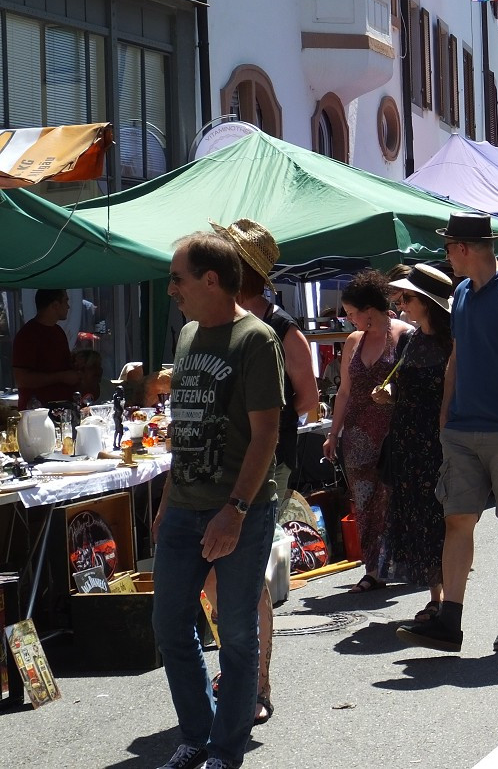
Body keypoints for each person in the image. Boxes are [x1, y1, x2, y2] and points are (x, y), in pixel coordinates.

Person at [151, 231, 284, 769]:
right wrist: (165, 501)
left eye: (177, 278)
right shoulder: (185, 337)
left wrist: (236, 509)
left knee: (235, 631)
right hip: (183, 504)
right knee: (169, 625)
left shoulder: (256, 339)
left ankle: (226, 752)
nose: (171, 290)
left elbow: (267, 435)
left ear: (211, 279)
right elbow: (185, 426)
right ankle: (197, 734)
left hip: (238, 507)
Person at [396, 212, 498, 653]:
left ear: (462, 249)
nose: (446, 255)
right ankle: (450, 622)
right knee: (457, 520)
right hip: (462, 430)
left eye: (447, 247)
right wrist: (446, 414)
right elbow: (457, 359)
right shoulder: (461, 292)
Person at [205, 218, 319, 726]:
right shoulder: (210, 323)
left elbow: (308, 398)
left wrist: (261, 426)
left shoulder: (281, 326)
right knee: (215, 575)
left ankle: (257, 682)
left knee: (246, 577)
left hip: (265, 462)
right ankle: (238, 673)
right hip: (214, 464)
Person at [322, 271, 412, 593]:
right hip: (357, 434)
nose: (348, 319)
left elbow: (418, 388)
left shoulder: (404, 335)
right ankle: (373, 568)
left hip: (393, 433)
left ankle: (397, 562)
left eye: (350, 313)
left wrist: (396, 396)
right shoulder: (352, 342)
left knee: (390, 500)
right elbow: (344, 391)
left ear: (368, 310)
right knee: (363, 502)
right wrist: (334, 433)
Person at [376, 265, 454, 624]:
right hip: (407, 438)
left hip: (437, 440)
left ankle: (447, 599)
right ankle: (435, 596)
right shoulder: (409, 340)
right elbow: (405, 387)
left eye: (406, 298)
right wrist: (390, 394)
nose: (400, 304)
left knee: (439, 519)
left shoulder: (452, 339)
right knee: (416, 518)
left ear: (426, 301)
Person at [12, 289, 80, 410]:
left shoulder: (59, 332)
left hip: (62, 409)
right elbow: (22, 379)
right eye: (65, 301)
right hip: (37, 413)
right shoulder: (28, 335)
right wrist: (61, 376)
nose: (68, 306)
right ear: (55, 305)